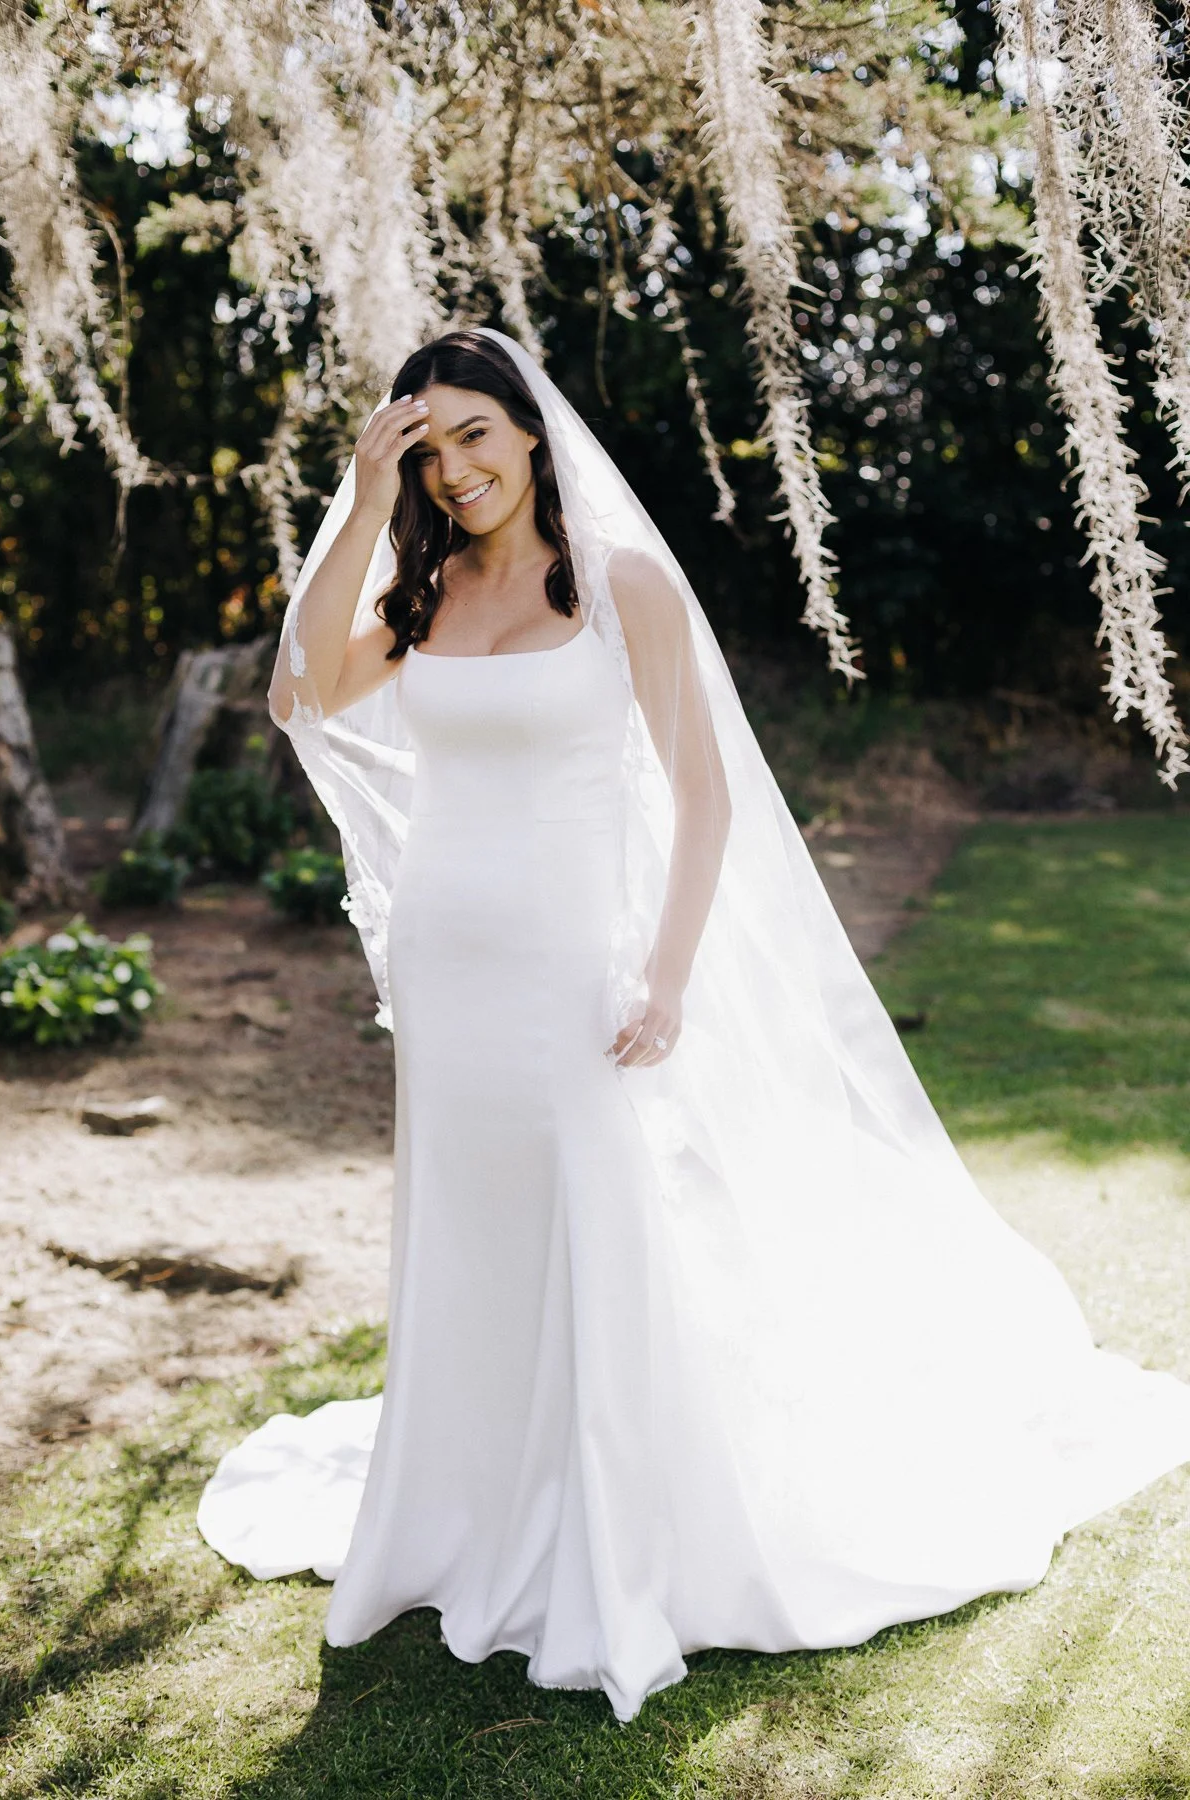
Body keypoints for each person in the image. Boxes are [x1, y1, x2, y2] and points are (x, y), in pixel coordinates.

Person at [199, 328, 1190, 1724]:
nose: (459, 468)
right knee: (471, 1229)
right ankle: (471, 1495)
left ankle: (615, 1519)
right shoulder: (421, 591)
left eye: (477, 434)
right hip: (444, 965)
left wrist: (662, 973)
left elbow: (706, 796)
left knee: (598, 1219)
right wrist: (363, 511)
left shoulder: (620, 585)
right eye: (431, 448)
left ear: (532, 433)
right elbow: (303, 695)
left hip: (569, 967)